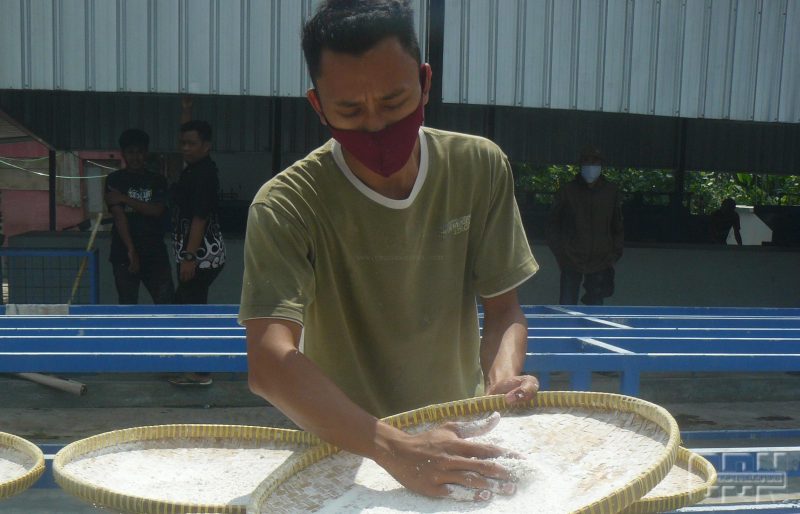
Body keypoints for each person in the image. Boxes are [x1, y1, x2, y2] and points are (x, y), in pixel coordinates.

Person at [239, 0, 539, 503]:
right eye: (350, 111)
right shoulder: (287, 205)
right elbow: (269, 361)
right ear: (317, 106)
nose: (375, 126)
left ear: (424, 82)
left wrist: (502, 383)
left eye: (394, 102)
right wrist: (393, 447)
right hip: (343, 449)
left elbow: (504, 309)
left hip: (457, 439)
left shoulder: (477, 168)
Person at [169, 120, 226, 386]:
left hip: (201, 256)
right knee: (190, 309)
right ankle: (196, 368)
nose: (186, 148)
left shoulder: (204, 174)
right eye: (183, 143)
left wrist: (189, 257)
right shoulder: (195, 169)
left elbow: (200, 217)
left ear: (206, 146)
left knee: (192, 313)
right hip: (200, 255)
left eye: (192, 144)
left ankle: (201, 372)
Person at [547, 146, 624, 305]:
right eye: (586, 161)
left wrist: (614, 254)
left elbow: (617, 225)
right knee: (567, 306)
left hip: (601, 261)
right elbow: (552, 224)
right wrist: (561, 254)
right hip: (571, 258)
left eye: (595, 161)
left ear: (601, 164)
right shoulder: (567, 191)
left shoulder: (611, 192)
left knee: (595, 308)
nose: (591, 165)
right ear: (580, 164)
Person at [105, 129, 173, 305]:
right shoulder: (114, 179)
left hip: (154, 252)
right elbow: (119, 217)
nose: (136, 157)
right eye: (131, 152)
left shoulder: (157, 180)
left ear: (146, 153)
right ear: (123, 154)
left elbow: (157, 210)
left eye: (140, 152)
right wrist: (131, 250)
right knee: (127, 304)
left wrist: (124, 198)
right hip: (123, 253)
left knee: (166, 303)